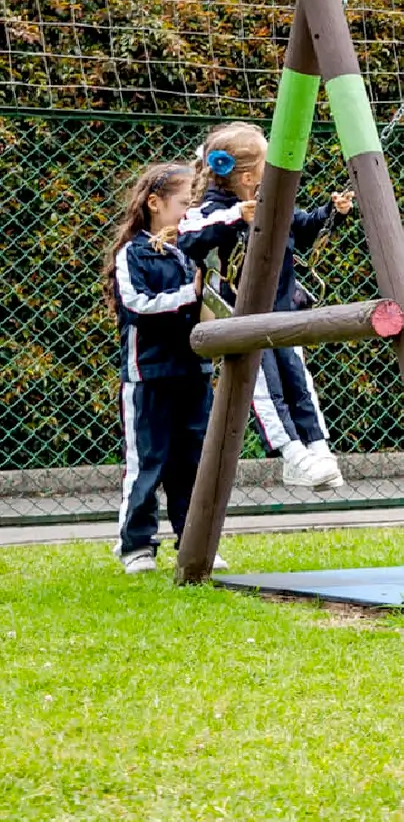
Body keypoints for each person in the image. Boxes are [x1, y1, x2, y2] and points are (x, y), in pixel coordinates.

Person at [176, 121, 357, 491]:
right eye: (266, 164)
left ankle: (319, 448)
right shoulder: (212, 209)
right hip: (240, 319)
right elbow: (189, 237)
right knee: (265, 387)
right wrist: (234, 218)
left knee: (298, 381)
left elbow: (303, 228)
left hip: (282, 311)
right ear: (245, 177)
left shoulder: (272, 202)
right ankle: (293, 454)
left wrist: (331, 213)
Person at [105, 163, 224, 574]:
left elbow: (213, 303)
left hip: (195, 375)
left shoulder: (193, 252)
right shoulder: (132, 253)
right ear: (154, 204)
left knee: (192, 462)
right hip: (149, 378)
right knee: (148, 463)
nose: (190, 212)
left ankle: (193, 543)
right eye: (183, 204)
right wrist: (188, 295)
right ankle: (136, 546)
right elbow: (137, 305)